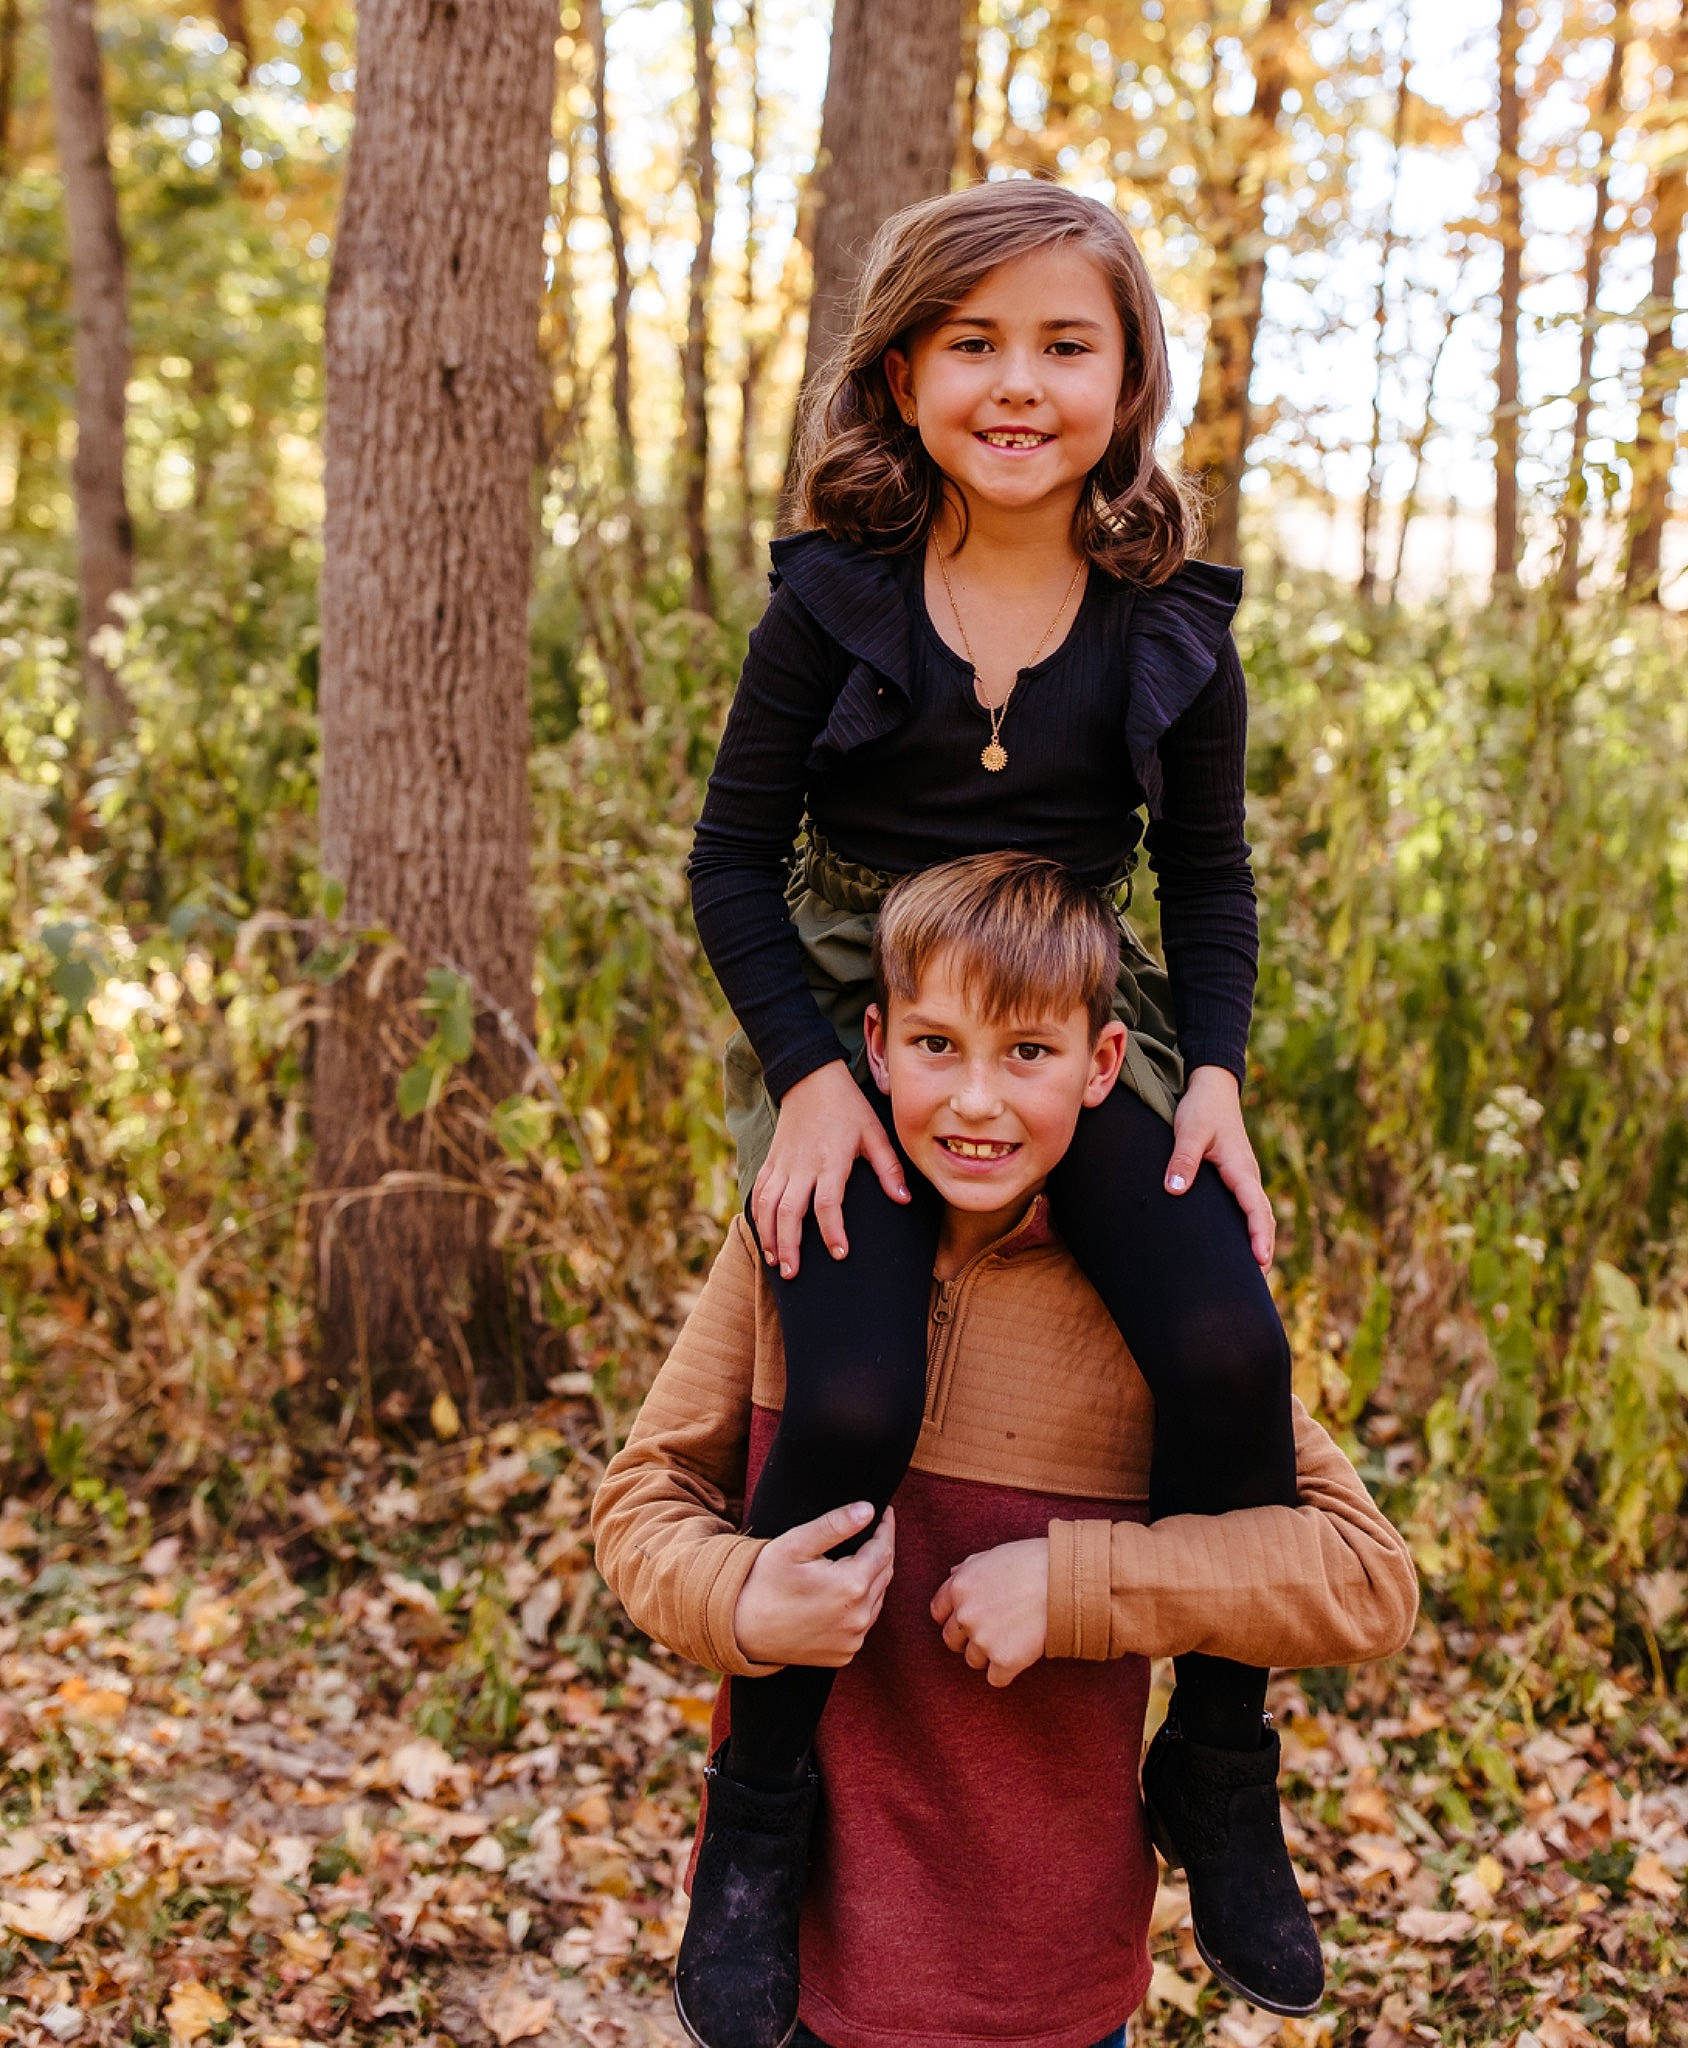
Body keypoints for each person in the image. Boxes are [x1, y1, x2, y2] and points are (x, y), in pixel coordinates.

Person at [687, 178, 1311, 2038]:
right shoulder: (834, 598)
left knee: (1220, 1334)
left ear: (1129, 383)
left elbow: (1205, 882)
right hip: (870, 1012)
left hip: (1071, 1019)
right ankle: (757, 1816)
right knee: (854, 1383)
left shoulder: (1165, 629)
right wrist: (807, 1073)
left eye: (1065, 344)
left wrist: (1213, 1074)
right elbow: (723, 862)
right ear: (900, 367)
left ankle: (1216, 1758)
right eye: (973, 343)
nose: (1017, 382)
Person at [593, 853, 1419, 2048]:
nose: (974, 1102)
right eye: (936, 1045)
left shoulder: (1154, 1309)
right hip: (791, 1962)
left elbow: (1364, 1578)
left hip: (1045, 1985)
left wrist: (1083, 1584)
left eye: (1026, 1052)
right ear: (872, 1046)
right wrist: (739, 1594)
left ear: (1100, 1065)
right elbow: (640, 1500)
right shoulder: (794, 1232)